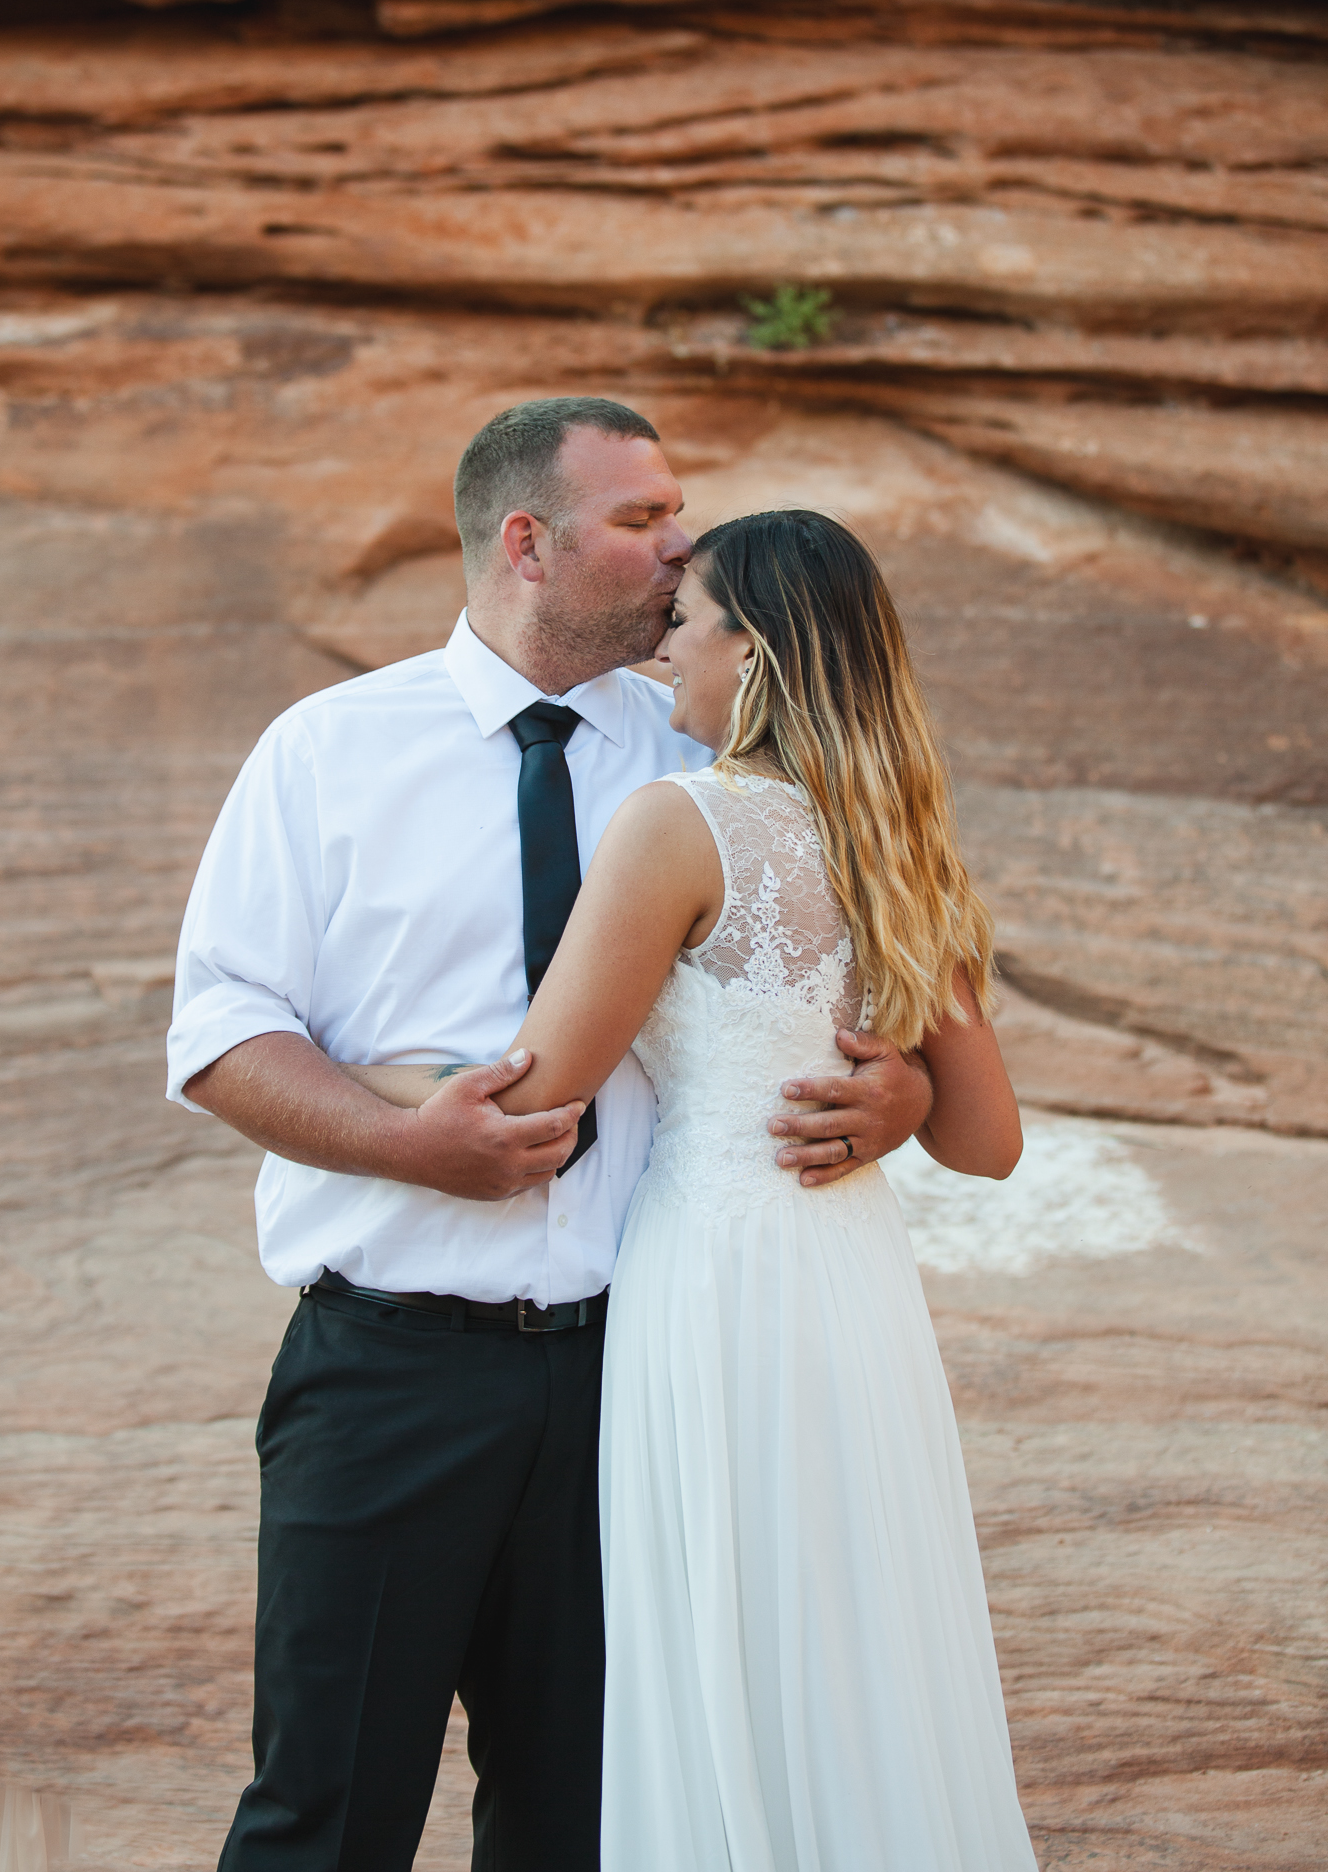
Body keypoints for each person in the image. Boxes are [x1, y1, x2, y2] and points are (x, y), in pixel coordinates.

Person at [166, 399, 938, 1872]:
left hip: (636, 1376)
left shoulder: (716, 747)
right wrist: (413, 1146)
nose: (683, 546)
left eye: (681, 517)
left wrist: (898, 1095)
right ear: (526, 542)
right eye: (644, 520)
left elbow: (860, 962)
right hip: (389, 1369)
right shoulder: (326, 750)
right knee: (326, 1812)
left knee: (593, 1817)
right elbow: (217, 1036)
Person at [356, 508, 1037, 1869]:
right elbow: (989, 1142)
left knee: (723, 1625)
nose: (663, 651)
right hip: (851, 1287)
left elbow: (537, 1088)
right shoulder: (895, 836)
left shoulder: (678, 823)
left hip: (718, 1288)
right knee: (856, 1628)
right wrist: (895, 1100)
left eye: (686, 623)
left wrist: (368, 1065)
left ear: (759, 652)